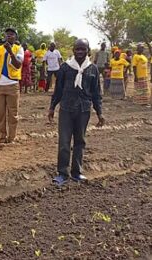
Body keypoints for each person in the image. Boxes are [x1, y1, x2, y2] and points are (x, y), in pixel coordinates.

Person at [48, 38, 105, 186]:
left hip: (84, 110)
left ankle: (76, 172)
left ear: (88, 51)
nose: (80, 52)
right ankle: (62, 173)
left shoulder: (92, 69)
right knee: (64, 142)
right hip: (66, 109)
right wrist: (52, 107)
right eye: (77, 49)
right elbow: (58, 90)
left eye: (83, 49)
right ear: (73, 51)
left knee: (80, 141)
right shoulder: (65, 68)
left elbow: (96, 93)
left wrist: (99, 112)